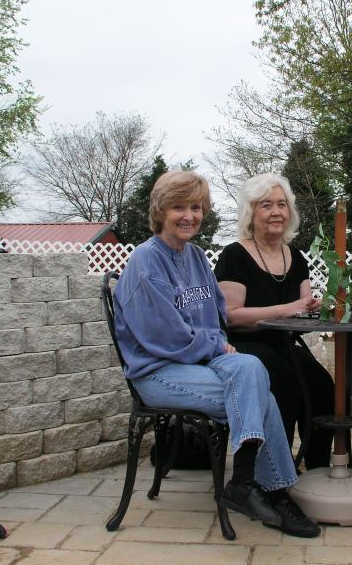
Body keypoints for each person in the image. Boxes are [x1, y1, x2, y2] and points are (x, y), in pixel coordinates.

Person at [113, 170, 320, 538]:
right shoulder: (147, 263)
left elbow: (214, 315)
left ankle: (246, 484)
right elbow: (165, 337)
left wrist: (217, 344)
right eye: (179, 207)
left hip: (200, 360)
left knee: (251, 368)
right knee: (258, 390)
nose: (189, 216)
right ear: (161, 210)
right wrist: (215, 345)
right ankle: (269, 490)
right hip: (159, 371)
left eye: (195, 207)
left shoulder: (192, 256)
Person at [214, 173, 335, 470]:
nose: (277, 212)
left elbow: (302, 307)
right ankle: (275, 472)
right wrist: (289, 307)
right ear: (251, 212)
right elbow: (231, 316)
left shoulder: (296, 256)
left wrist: (313, 305)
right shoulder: (235, 255)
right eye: (266, 205)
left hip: (283, 344)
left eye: (282, 205)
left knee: (323, 386)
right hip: (242, 346)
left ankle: (317, 466)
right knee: (286, 382)